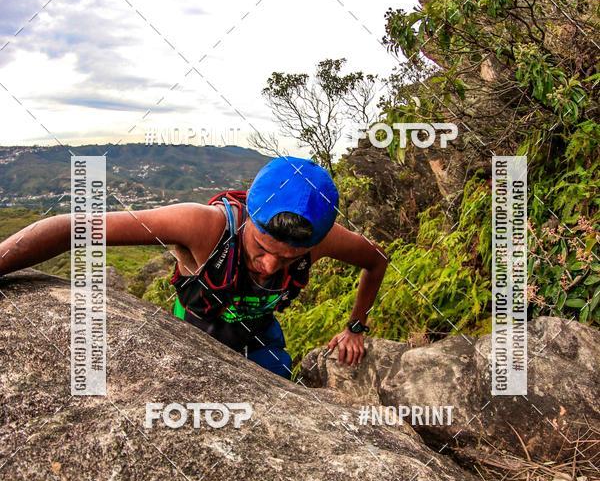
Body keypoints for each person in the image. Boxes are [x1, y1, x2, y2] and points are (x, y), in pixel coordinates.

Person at [0, 156, 388, 379]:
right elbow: (69, 228)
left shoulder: (321, 239)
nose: (270, 266)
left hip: (260, 341)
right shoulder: (203, 227)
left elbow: (376, 261)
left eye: (288, 259)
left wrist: (356, 327)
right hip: (192, 338)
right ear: (249, 217)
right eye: (261, 248)